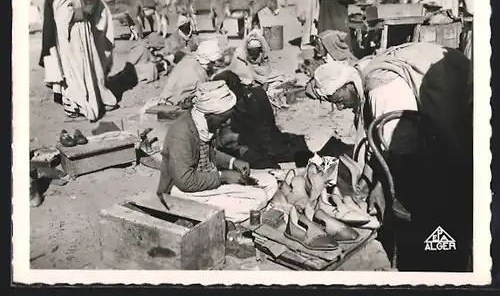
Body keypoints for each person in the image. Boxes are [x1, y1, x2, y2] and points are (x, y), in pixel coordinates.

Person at [306, 42, 472, 272]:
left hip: (455, 88)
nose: (339, 108)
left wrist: (382, 186)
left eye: (337, 100)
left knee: (438, 187)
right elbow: (380, 137)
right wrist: (369, 175)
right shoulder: (362, 73)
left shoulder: (381, 88)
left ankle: (440, 253)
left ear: (345, 85)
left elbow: (402, 144)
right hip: (446, 79)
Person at [156, 80, 279, 223]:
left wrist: (232, 162)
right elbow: (185, 181)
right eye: (224, 119)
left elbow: (208, 153)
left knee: (270, 182)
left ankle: (230, 203)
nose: (227, 123)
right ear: (209, 115)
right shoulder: (182, 134)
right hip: (185, 190)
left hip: (208, 177)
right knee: (256, 200)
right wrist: (223, 176)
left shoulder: (203, 123)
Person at [213, 70, 313, 169]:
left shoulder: (251, 98)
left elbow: (264, 132)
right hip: (259, 142)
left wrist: (237, 138)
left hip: (258, 143)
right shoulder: (256, 93)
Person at [39, 0, 117, 121]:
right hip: (71, 37)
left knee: (91, 66)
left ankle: (98, 98)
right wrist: (83, 11)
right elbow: (62, 16)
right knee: (75, 70)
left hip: (83, 33)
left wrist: (87, 10)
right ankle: (74, 105)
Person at [158, 39, 224, 106]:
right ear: (207, 61)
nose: (214, 65)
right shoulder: (200, 73)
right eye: (212, 62)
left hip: (166, 96)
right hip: (174, 104)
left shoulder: (189, 59)